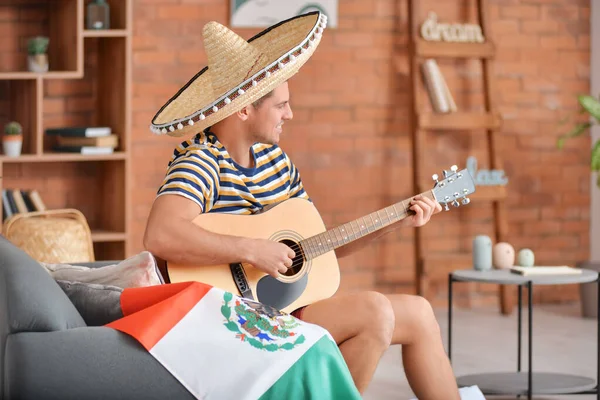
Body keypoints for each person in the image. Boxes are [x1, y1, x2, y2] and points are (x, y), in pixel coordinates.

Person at [143, 12, 460, 399]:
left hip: (281, 307)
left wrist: (397, 220)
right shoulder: (201, 162)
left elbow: (316, 249)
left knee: (420, 314)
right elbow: (161, 234)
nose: (289, 114)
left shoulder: (278, 163)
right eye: (281, 106)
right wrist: (252, 249)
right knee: (375, 312)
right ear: (244, 110)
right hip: (234, 319)